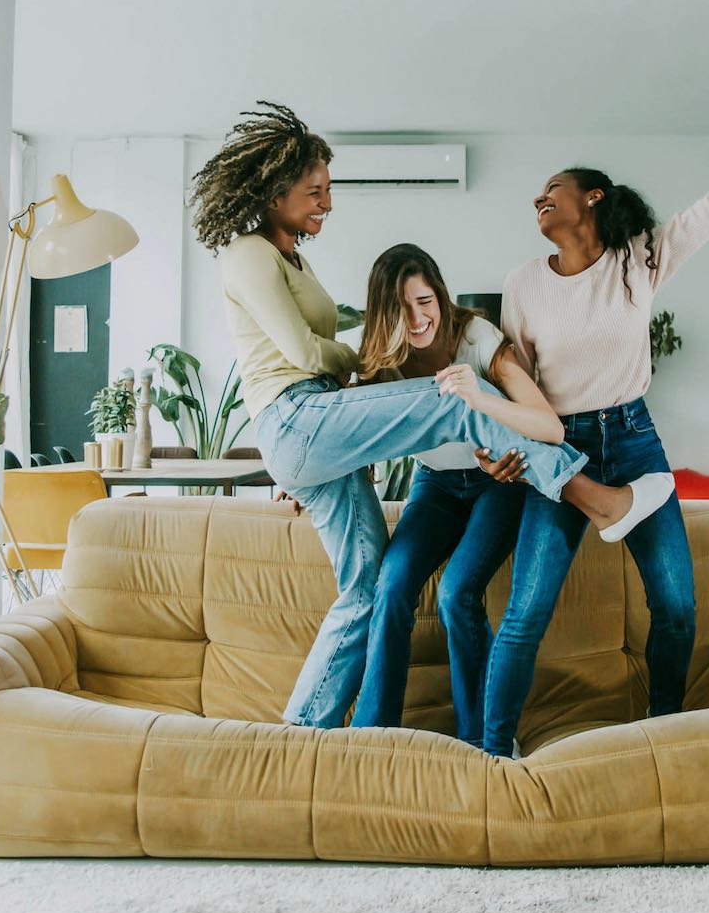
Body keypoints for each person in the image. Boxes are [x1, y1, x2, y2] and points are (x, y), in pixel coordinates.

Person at [191, 102, 675, 730]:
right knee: (450, 397)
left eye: (425, 302)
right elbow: (305, 356)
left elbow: (345, 387)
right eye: (315, 191)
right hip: (302, 419)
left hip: (327, 429)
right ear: (273, 189)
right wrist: (354, 376)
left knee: (370, 587)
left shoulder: (312, 268)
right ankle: (594, 497)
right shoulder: (249, 254)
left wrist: (312, 460)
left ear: (442, 298)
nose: (327, 203)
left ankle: (306, 734)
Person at [466, 35, 709, 758]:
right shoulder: (523, 282)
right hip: (560, 448)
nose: (538, 197)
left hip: (635, 442)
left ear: (592, 197)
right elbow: (515, 384)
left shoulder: (639, 259)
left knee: (676, 605)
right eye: (536, 194)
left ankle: (663, 731)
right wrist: (503, 450)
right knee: (525, 614)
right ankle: (494, 751)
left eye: (553, 187)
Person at [345, 244, 552, 746]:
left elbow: (543, 420)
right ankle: (372, 736)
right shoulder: (379, 359)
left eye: (426, 302)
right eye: (402, 309)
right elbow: (345, 436)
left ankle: (483, 740)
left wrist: (505, 449)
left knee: (457, 593)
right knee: (392, 586)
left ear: (440, 296)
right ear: (384, 314)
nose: (418, 319)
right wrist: (299, 486)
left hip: (498, 483)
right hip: (434, 484)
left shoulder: (477, 338)